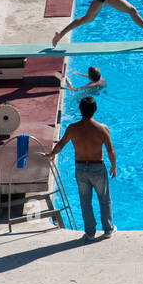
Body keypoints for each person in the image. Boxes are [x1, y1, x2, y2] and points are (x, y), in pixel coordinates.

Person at [48, 95, 116, 241]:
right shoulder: (102, 129)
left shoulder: (73, 129)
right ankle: (108, 229)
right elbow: (111, 151)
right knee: (104, 200)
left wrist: (52, 153)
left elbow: (61, 143)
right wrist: (114, 166)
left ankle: (90, 232)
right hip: (97, 167)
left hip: (80, 168)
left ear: (80, 110)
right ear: (95, 110)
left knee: (85, 202)